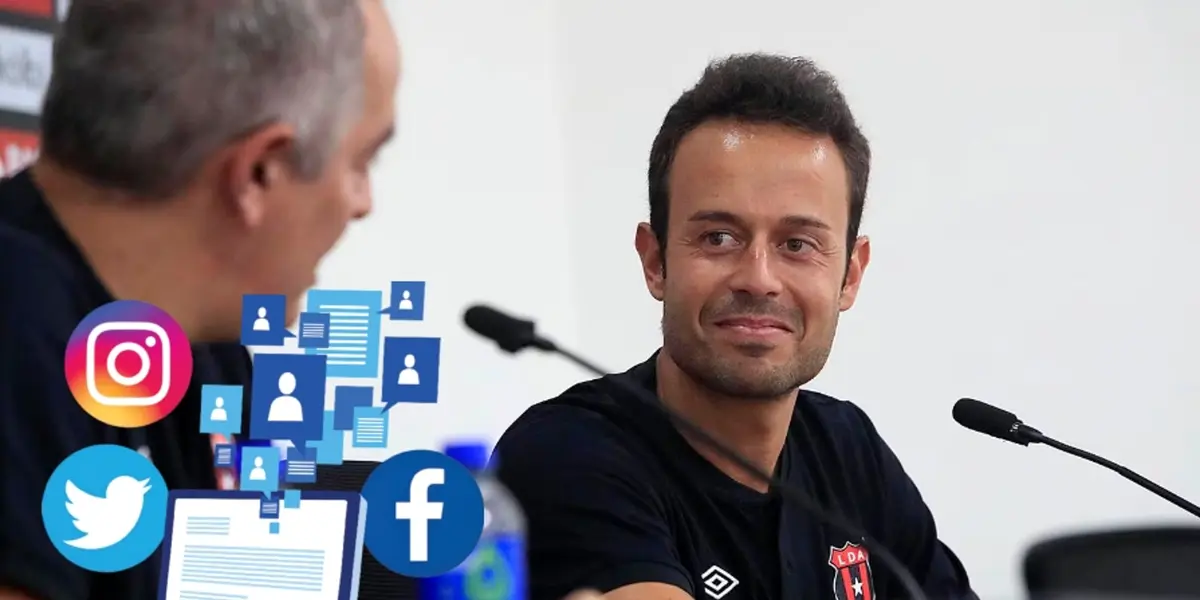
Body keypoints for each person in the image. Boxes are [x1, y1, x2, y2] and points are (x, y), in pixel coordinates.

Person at [493, 54, 977, 600]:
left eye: (798, 244)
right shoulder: (567, 451)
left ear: (850, 275)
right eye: (719, 237)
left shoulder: (848, 449)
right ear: (655, 262)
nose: (758, 279)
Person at [0, 0, 400, 598]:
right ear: (258, 173)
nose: (363, 203)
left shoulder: (209, 351)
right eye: (362, 162)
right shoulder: (16, 326)